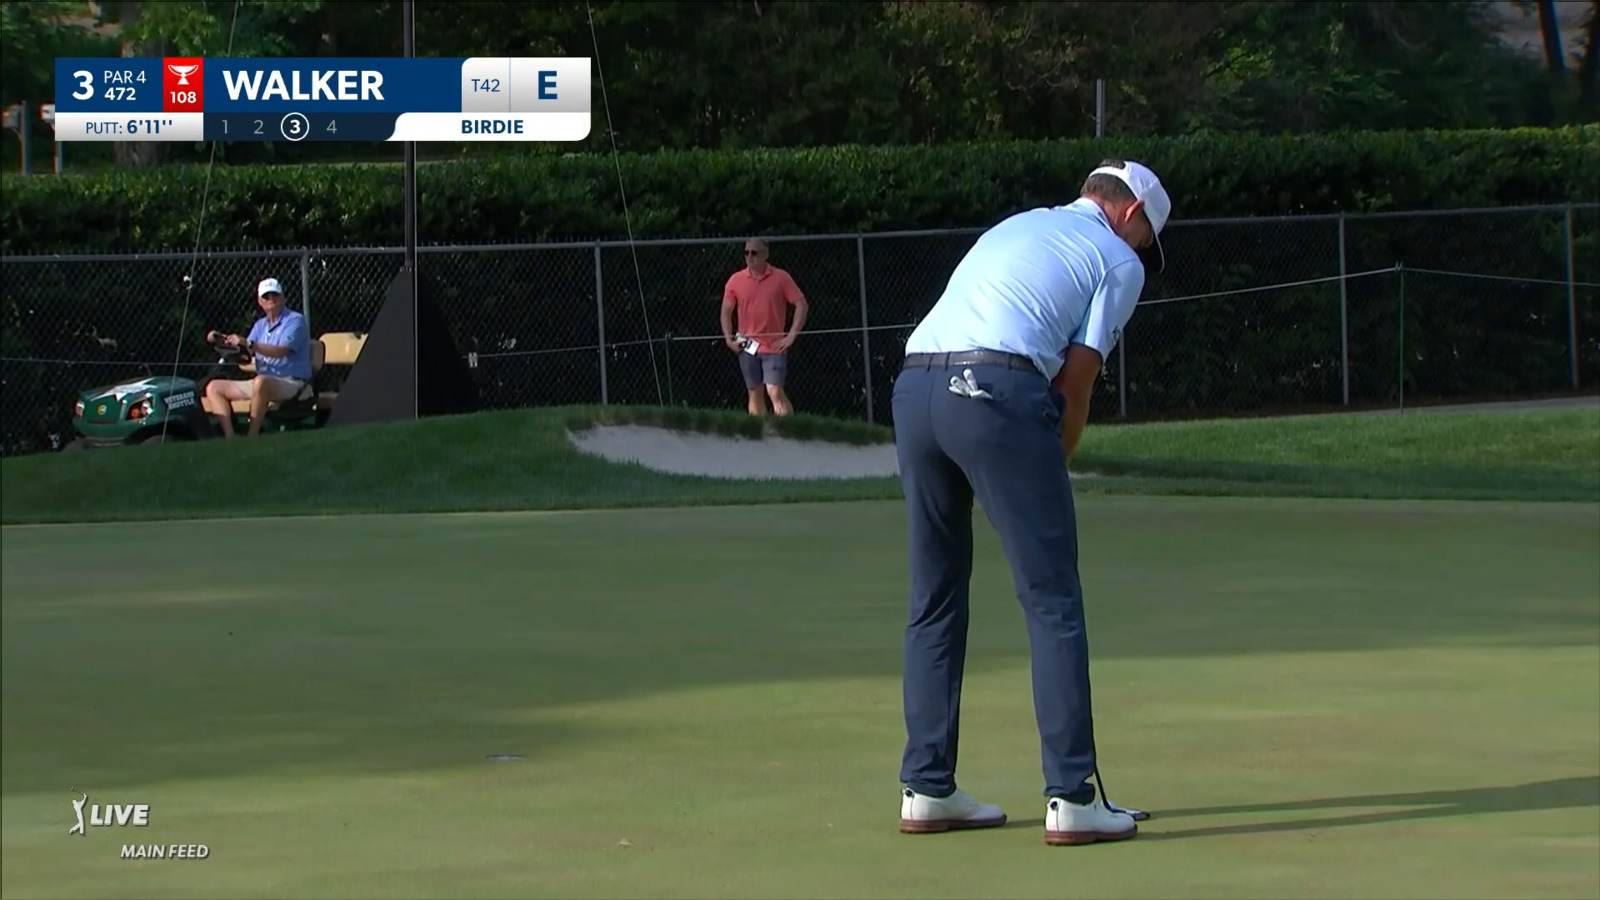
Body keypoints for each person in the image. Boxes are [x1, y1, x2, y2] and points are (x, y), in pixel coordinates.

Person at [891, 160, 1170, 846]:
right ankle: (1073, 797)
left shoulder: (1021, 224)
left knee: (935, 595)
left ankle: (927, 787)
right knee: (1052, 597)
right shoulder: (1116, 261)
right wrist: (1049, 469)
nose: (1140, 255)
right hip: (994, 391)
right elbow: (1076, 383)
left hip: (914, 390)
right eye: (1144, 240)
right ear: (1130, 215)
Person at [202, 277, 313, 438]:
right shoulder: (260, 325)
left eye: (275, 295)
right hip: (262, 382)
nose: (271, 299)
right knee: (213, 387)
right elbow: (246, 350)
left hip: (293, 383)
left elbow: (281, 351)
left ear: (283, 297)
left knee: (261, 381)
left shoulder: (296, 321)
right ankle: (230, 439)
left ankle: (251, 437)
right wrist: (222, 340)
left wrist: (248, 343)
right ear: (260, 301)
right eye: (266, 296)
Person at [720, 238, 808, 416]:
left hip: (774, 344)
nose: (750, 257)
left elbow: (801, 304)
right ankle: (761, 435)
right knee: (754, 392)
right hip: (746, 343)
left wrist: (791, 336)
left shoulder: (781, 278)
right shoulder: (735, 280)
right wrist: (728, 339)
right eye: (746, 253)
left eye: (754, 253)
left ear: (766, 254)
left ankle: (788, 431)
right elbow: (726, 311)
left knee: (774, 390)